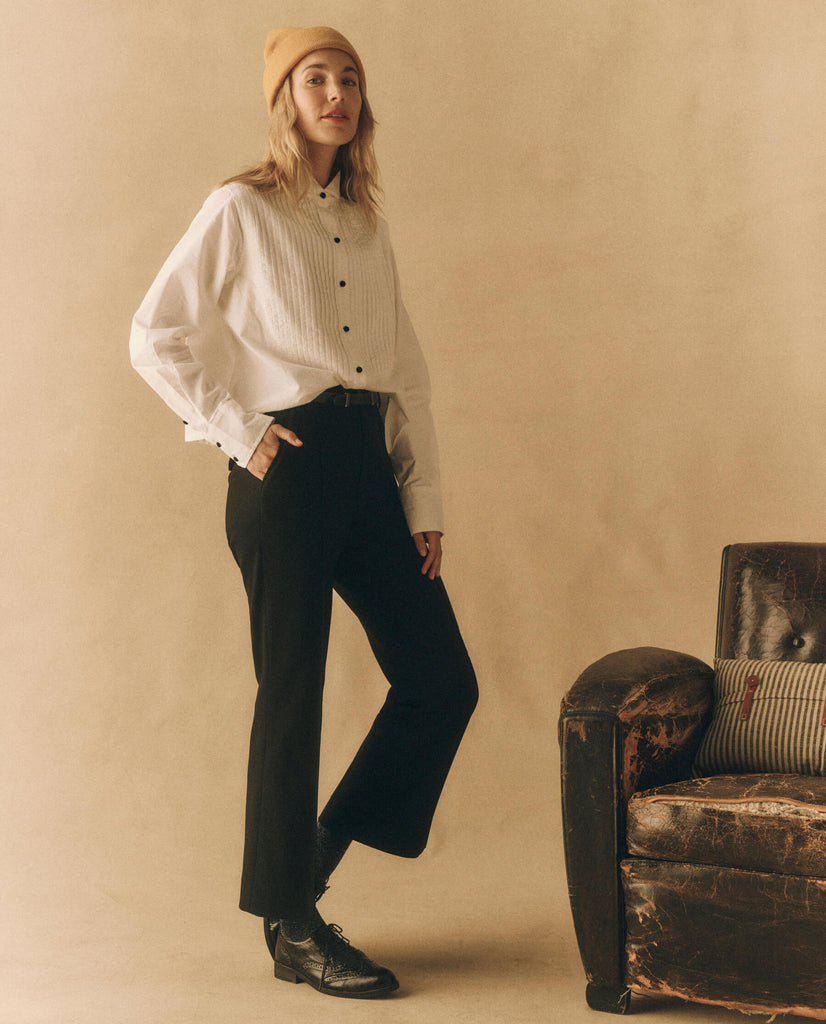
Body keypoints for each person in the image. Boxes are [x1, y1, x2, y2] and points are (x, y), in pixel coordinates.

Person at [129, 25, 478, 1000]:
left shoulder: (366, 224)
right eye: (316, 78)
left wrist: (421, 496)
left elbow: (406, 376)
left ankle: (307, 859)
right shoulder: (240, 208)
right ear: (285, 98)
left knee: (440, 681)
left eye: (350, 78)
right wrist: (237, 431)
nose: (336, 93)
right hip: (284, 469)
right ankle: (292, 926)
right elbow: (155, 333)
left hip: (368, 470)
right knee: (292, 694)